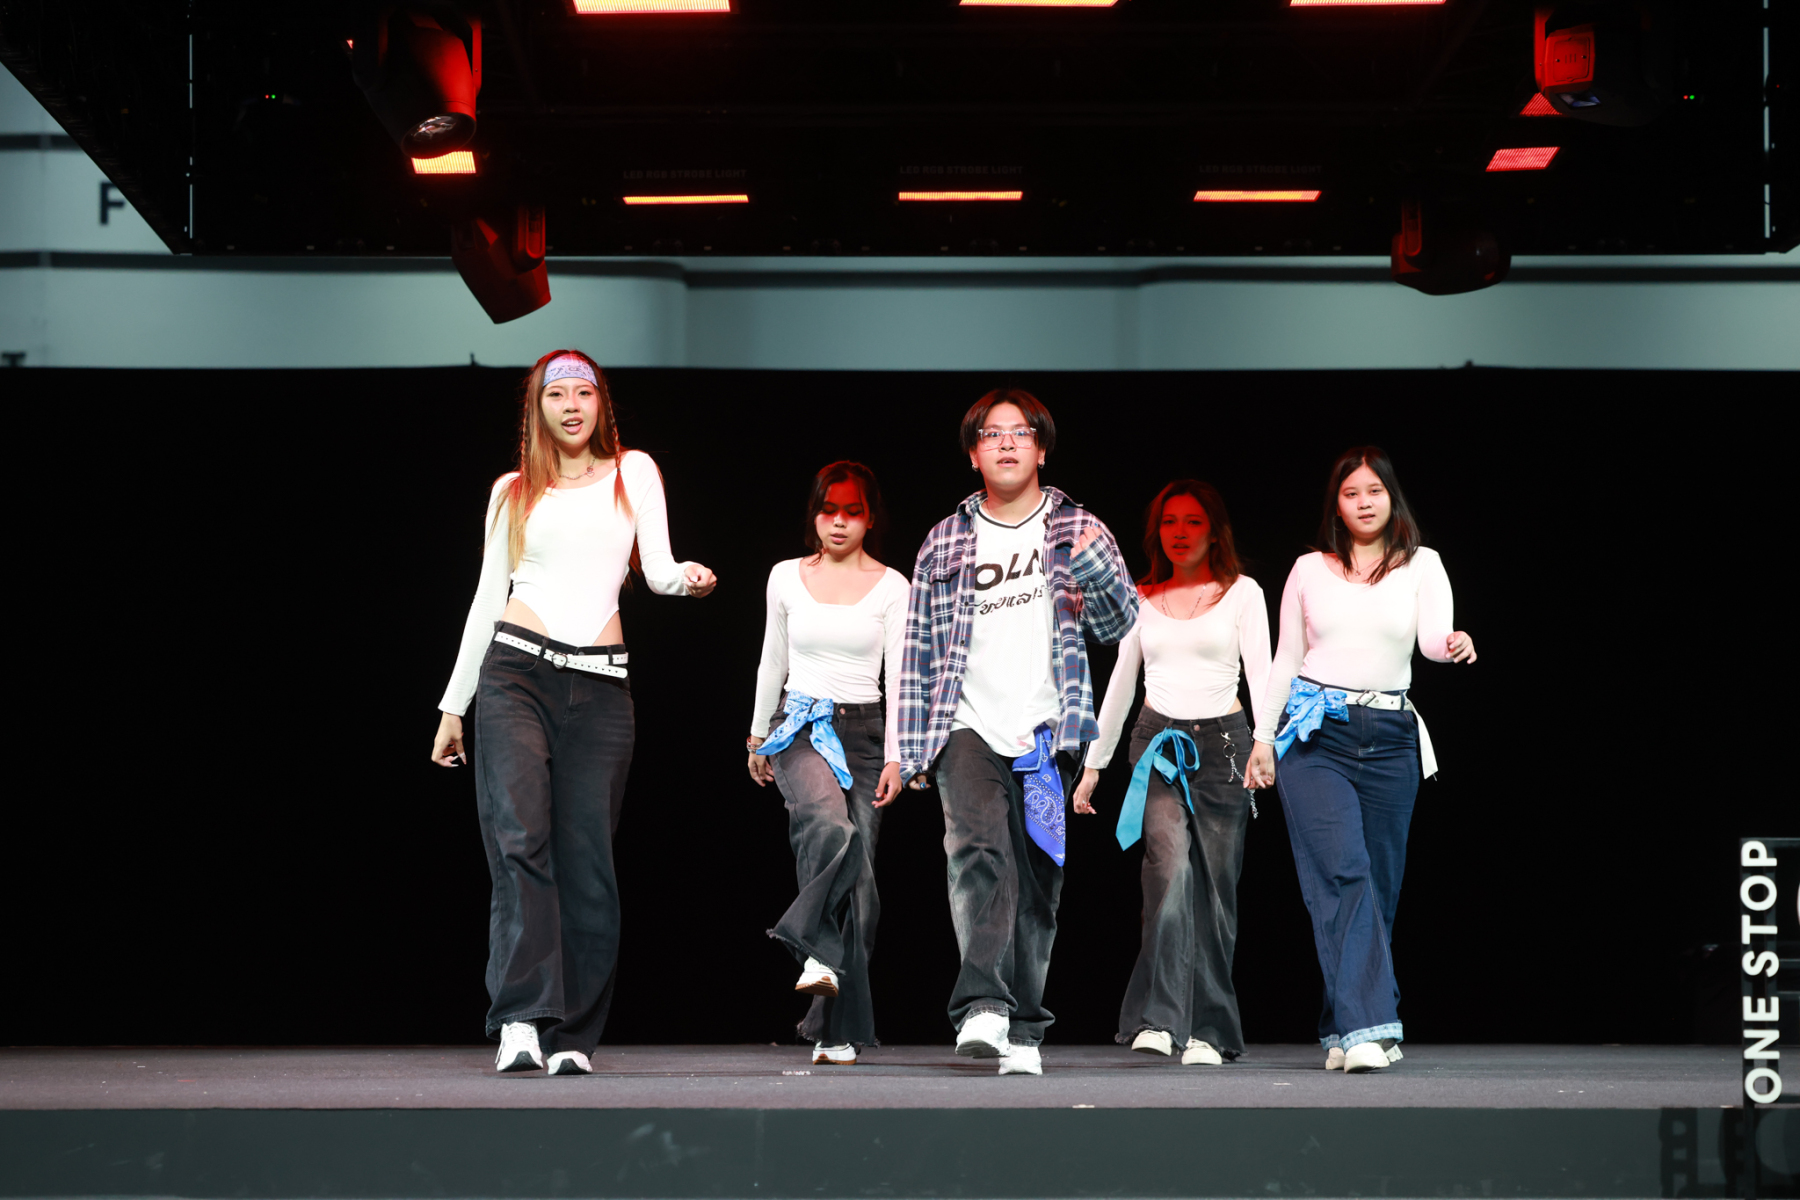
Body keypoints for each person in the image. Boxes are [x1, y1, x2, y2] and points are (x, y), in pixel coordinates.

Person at [430, 350, 717, 1076]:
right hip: (514, 674)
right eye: (555, 394)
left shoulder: (633, 472)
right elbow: (487, 598)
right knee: (519, 842)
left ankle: (572, 1037)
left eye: (582, 393)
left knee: (587, 860)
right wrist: (454, 705)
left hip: (600, 687)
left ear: (600, 404)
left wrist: (688, 580)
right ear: (538, 409)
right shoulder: (512, 491)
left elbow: (657, 570)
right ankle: (521, 1019)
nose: (570, 405)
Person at [890, 387, 1138, 1077]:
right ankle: (983, 1005)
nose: (1006, 442)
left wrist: (1095, 569)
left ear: (1041, 449)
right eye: (991, 434)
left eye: (1020, 432)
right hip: (965, 724)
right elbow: (916, 651)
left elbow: (1120, 624)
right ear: (974, 455)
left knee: (1037, 879)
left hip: (1047, 733)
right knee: (976, 852)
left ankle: (1023, 1026)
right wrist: (911, 749)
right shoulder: (943, 539)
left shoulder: (1079, 527)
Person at [1243, 446, 1475, 1074]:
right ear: (1336, 505)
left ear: (1391, 498)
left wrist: (1454, 643)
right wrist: (1263, 738)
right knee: (1343, 872)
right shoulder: (1307, 570)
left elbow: (1431, 641)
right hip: (1317, 733)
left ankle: (1344, 1025)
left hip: (1393, 736)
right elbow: (1286, 658)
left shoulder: (1422, 564)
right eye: (1351, 493)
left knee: (1378, 888)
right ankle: (1370, 1027)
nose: (1364, 502)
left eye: (1374, 491)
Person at [1071, 481, 1270, 1067]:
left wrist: (1266, 743)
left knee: (1216, 889)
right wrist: (1093, 766)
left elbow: (1262, 672)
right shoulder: (1141, 597)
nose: (1179, 532)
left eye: (1192, 521)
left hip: (1226, 745)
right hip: (1157, 742)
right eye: (1169, 522)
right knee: (1169, 872)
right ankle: (1159, 1018)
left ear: (1214, 531)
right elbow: (1120, 684)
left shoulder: (1243, 593)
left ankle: (1209, 1028)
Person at [746, 462, 909, 1067]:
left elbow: (901, 677)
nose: (838, 522)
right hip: (799, 724)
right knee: (830, 827)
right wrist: (757, 734)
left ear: (870, 518)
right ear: (814, 514)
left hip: (866, 732)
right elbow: (772, 658)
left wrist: (898, 755)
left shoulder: (893, 586)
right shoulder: (785, 575)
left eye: (852, 511)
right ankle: (810, 939)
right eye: (828, 509)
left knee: (861, 889)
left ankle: (832, 1029)